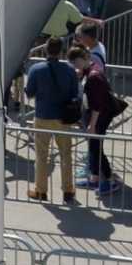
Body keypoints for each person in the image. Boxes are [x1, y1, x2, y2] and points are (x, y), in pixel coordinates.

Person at [26, 36, 81, 204]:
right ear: (62, 51)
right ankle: (68, 191)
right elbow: (75, 94)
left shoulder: (36, 69)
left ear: (45, 50)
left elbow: (29, 93)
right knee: (66, 155)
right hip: (63, 118)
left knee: (41, 156)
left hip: (42, 116)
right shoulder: (70, 70)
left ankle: (41, 191)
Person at [77, 47, 119, 195]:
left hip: (98, 118)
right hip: (94, 116)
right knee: (93, 148)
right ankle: (94, 178)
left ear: (83, 60)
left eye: (76, 63)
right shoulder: (89, 72)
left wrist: (92, 125)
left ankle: (109, 180)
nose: (75, 67)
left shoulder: (94, 76)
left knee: (96, 148)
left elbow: (97, 105)